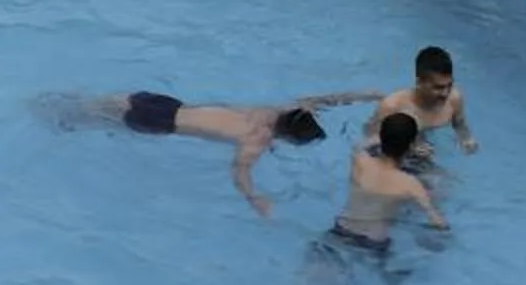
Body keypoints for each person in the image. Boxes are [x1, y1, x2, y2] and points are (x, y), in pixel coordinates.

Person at [74, 90, 339, 220]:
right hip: (160, 123)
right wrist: (255, 198)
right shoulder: (257, 140)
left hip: (165, 103)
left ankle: (60, 105)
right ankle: (63, 120)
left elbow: (314, 101)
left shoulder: (269, 112)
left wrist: (366, 95)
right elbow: (240, 172)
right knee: (97, 121)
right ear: (289, 138)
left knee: (94, 104)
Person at [330, 46, 478, 158]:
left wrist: (466, 139)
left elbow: (459, 123)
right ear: (419, 82)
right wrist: (408, 150)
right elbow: (369, 145)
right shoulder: (392, 106)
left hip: (423, 143)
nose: (445, 93)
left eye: (449, 85)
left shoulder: (454, 98)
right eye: (438, 88)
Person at [330, 112, 446, 253]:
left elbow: (360, 145)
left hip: (341, 230)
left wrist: (385, 136)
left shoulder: (360, 161)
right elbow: (437, 222)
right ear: (411, 146)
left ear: (381, 137)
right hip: (373, 242)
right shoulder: (410, 184)